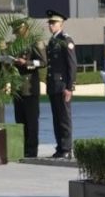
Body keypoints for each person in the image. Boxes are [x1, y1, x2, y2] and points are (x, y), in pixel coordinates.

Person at [10, 17, 46, 158]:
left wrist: (27, 63)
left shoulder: (35, 42)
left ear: (25, 29)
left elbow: (43, 62)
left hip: (30, 87)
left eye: (18, 31)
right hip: (18, 88)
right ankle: (22, 147)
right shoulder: (15, 44)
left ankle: (31, 151)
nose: (17, 34)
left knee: (31, 122)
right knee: (20, 120)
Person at [45, 9, 76, 159]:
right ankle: (60, 147)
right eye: (50, 23)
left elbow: (72, 65)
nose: (51, 25)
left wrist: (70, 87)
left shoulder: (66, 40)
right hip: (53, 86)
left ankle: (66, 148)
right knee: (57, 118)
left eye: (54, 23)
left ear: (61, 24)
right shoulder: (52, 40)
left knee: (64, 118)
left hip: (62, 85)